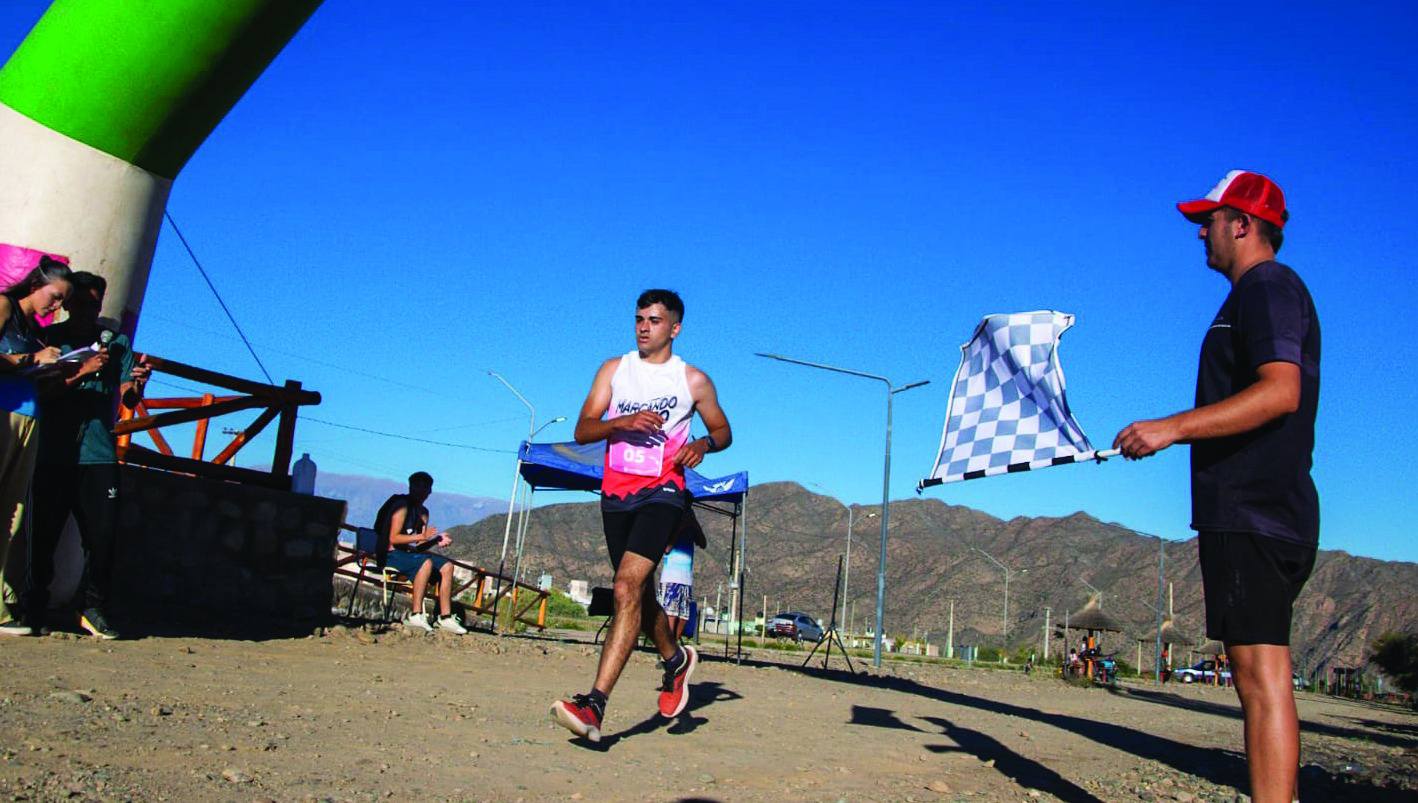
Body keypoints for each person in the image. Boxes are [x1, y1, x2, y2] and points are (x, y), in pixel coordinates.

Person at [1114, 170, 1319, 803]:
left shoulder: (1268, 288)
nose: (1201, 231)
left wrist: (1173, 427)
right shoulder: (1255, 295)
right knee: (1263, 676)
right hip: (1262, 512)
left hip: (1253, 511)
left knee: (1260, 680)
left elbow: (1280, 391)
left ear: (1243, 224)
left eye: (1210, 219)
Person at [551, 289, 732, 742]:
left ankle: (594, 705)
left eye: (653, 320)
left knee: (625, 586)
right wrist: (621, 424)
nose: (643, 327)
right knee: (636, 594)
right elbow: (582, 429)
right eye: (638, 319)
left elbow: (723, 431)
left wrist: (702, 446)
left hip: (664, 492)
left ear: (675, 328)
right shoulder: (614, 370)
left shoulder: (692, 381)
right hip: (616, 494)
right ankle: (675, 661)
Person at [24, 272, 149, 638]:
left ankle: (93, 606)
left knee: (103, 535)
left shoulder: (116, 344)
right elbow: (42, 392)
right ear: (66, 304)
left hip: (98, 453)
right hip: (54, 450)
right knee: (43, 533)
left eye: (93, 304)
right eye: (79, 302)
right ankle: (35, 604)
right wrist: (81, 372)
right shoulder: (51, 340)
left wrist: (137, 384)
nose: (85, 311)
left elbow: (127, 396)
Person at [0, 257, 71, 636]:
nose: (56, 307)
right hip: (3, 411)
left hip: (29, 415)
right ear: (35, 285)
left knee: (11, 511)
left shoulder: (32, 327)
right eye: (55, 297)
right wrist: (31, 358)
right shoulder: (5, 307)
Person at [375, 471, 466, 634]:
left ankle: (445, 617)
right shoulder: (401, 506)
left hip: (407, 555)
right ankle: (416, 614)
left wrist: (435, 540)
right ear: (411, 487)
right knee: (426, 563)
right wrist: (422, 535)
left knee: (447, 566)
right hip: (390, 555)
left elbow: (419, 546)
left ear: (430, 491)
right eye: (418, 487)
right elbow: (393, 538)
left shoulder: (423, 512)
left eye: (426, 488)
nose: (422, 492)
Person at [658, 505, 705, 641]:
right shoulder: (671, 522)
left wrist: (694, 523)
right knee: (670, 614)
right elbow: (666, 548)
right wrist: (680, 527)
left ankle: (674, 646)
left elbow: (703, 543)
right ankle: (667, 649)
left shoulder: (691, 525)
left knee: (683, 616)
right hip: (671, 577)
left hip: (686, 579)